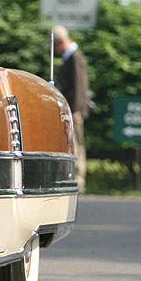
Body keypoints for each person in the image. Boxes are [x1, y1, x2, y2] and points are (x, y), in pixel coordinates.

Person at [53, 25, 90, 193]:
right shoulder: (71, 57)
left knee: (77, 144)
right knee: (73, 143)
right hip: (73, 109)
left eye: (55, 46)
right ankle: (73, 178)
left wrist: (76, 110)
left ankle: (79, 180)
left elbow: (80, 85)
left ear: (61, 42)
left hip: (75, 110)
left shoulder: (74, 57)